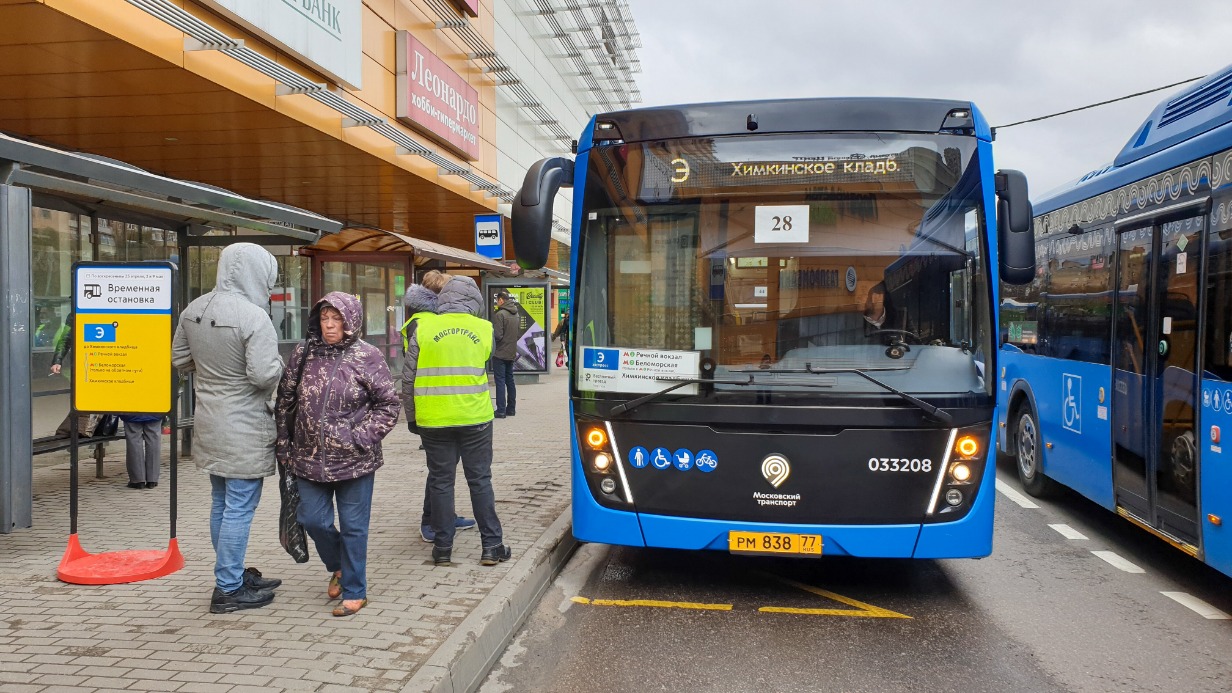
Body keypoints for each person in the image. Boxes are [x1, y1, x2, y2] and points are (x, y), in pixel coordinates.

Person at [172, 242, 285, 614]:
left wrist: (212, 374)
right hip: (245, 426)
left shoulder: (194, 308)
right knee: (240, 506)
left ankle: (232, 572)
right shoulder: (254, 317)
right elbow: (263, 373)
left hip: (208, 421)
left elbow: (180, 359)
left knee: (221, 502)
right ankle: (229, 587)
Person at [275, 292, 400, 618]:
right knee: (312, 520)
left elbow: (389, 405)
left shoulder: (368, 356)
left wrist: (360, 437)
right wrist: (284, 445)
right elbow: (285, 401)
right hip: (308, 457)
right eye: (325, 319)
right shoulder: (303, 354)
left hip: (355, 460)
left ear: (351, 321)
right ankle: (339, 567)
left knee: (355, 526)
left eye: (337, 320)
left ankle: (356, 591)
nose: (330, 325)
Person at [402, 276, 512, 567]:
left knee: (441, 482)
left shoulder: (423, 328)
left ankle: (442, 549)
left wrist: (412, 419)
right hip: (475, 417)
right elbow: (484, 358)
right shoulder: (484, 328)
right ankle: (492, 546)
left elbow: (408, 377)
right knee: (479, 480)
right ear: (474, 300)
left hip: (434, 419)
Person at [399, 282, 477, 543]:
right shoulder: (424, 324)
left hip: (443, 409)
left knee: (443, 469)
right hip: (434, 410)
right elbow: (410, 375)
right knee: (440, 471)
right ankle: (430, 521)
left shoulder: (426, 321)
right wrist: (412, 417)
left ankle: (444, 516)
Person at [491, 290, 519, 418]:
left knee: (500, 381)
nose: (497, 303)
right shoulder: (515, 313)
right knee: (510, 380)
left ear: (501, 300)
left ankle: (501, 410)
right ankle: (511, 409)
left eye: (498, 301)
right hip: (511, 352)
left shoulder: (500, 314)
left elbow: (498, 335)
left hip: (500, 352)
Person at [121, 413, 162, 489]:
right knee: (154, 440)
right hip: (154, 408)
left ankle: (138, 480)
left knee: (134, 440)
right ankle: (152, 479)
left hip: (132, 410)